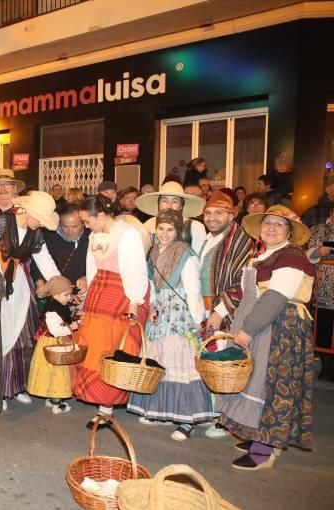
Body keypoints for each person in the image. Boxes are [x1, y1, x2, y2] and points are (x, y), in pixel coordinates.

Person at [217, 206, 316, 470]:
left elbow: (275, 298)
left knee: (269, 384)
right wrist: (225, 315)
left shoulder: (291, 257)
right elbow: (245, 292)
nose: (271, 228)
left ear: (289, 232)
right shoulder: (262, 255)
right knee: (254, 380)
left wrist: (249, 329)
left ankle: (264, 451)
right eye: (267, 223)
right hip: (259, 324)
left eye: (279, 225)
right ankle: (258, 438)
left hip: (277, 328)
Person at [0, 190, 61, 412]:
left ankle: (15, 386)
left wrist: (58, 283)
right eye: (39, 219)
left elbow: (45, 260)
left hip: (17, 284)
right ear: (26, 210)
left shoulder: (35, 234)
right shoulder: (0, 222)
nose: (40, 224)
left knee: (20, 336)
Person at [127, 210, 214, 440]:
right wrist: (153, 306)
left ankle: (186, 420)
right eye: (161, 228)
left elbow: (193, 290)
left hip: (179, 313)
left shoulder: (185, 253)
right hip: (160, 311)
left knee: (181, 362)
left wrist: (198, 321)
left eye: (170, 229)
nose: (164, 234)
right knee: (160, 360)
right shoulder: (153, 252)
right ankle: (160, 409)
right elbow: (151, 284)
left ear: (178, 232)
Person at [73, 195, 149, 426]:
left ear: (102, 215)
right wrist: (87, 298)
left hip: (121, 292)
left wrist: (134, 301)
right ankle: (101, 405)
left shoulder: (127, 234)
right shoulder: (95, 235)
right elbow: (91, 266)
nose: (86, 226)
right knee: (94, 346)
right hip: (100, 291)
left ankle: (106, 409)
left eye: (88, 221)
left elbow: (134, 268)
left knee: (112, 348)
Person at [197, 190, 254, 438]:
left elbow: (241, 282)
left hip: (226, 312)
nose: (212, 217)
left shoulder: (242, 241)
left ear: (231, 215)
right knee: (211, 362)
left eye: (219, 213)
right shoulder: (207, 238)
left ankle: (226, 420)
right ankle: (214, 413)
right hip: (205, 307)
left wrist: (219, 311)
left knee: (226, 363)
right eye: (208, 213)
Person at [28, 276, 78, 415]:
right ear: (55, 294)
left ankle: (52, 398)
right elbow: (55, 331)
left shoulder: (60, 306)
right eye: (66, 295)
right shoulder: (51, 310)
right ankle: (57, 403)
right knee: (57, 373)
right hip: (52, 344)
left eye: (69, 294)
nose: (69, 297)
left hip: (57, 343)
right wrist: (71, 328)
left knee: (52, 372)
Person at [31, 204, 89, 296]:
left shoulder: (91, 238)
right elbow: (37, 261)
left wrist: (86, 277)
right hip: (55, 292)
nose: (70, 231)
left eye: (74, 227)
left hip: (82, 292)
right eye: (65, 226)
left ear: (83, 223)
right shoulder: (50, 236)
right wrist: (40, 283)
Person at [136, 181, 206, 253]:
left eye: (175, 201)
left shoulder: (194, 227)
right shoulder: (147, 226)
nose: (169, 206)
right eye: (164, 201)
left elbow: (199, 260)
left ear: (181, 205)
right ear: (158, 203)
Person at [307, 205, 334, 378]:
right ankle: (327, 367)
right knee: (323, 329)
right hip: (323, 291)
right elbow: (309, 253)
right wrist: (319, 251)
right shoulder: (318, 229)